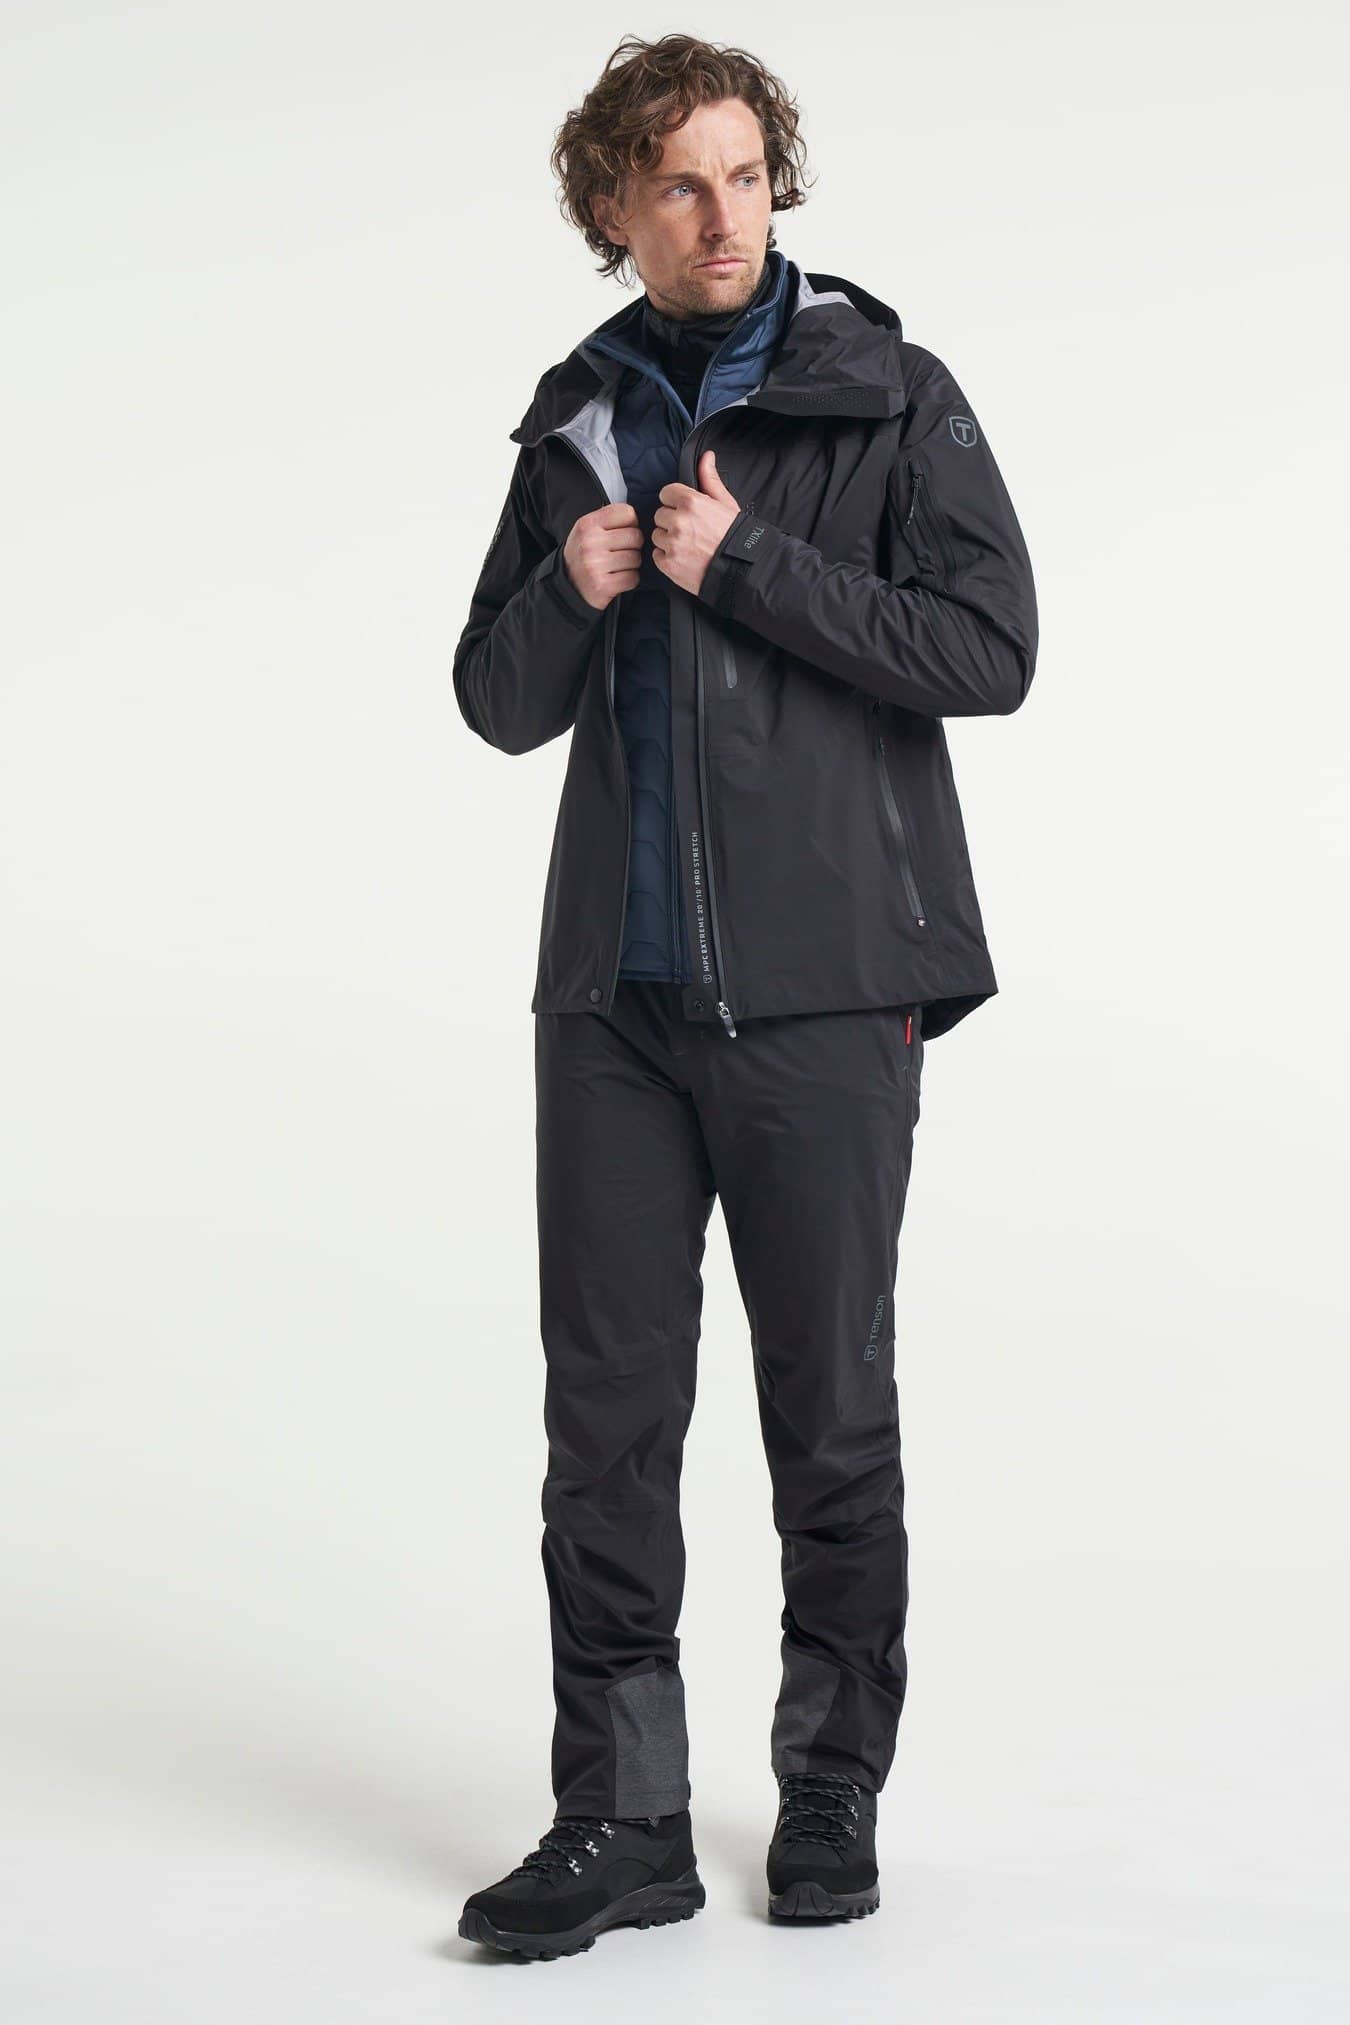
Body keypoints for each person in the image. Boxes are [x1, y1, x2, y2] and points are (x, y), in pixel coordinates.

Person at [452, 32, 1038, 1960]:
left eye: (744, 174)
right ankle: (621, 1814)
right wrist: (575, 584)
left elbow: (988, 649)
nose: (722, 216)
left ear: (776, 178)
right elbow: (493, 700)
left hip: (826, 993)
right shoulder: (575, 418)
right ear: (611, 212)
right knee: (603, 1430)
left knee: (829, 1412)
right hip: (612, 1010)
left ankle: (828, 1786)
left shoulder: (887, 392)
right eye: (677, 185)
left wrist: (745, 563)